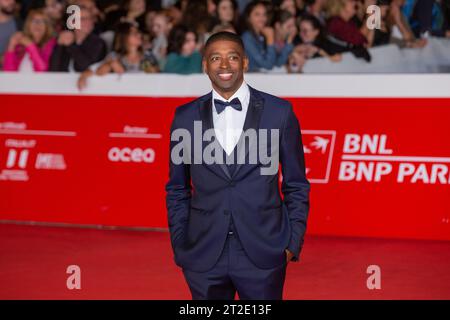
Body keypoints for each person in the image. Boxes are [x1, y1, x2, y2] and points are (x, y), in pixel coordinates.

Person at [165, 31, 310, 300]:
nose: (224, 65)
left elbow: (296, 183)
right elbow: (177, 188)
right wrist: (181, 243)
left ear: (245, 62)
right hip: (203, 254)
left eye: (232, 57)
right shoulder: (184, 117)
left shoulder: (279, 112)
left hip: (263, 252)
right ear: (204, 65)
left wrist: (292, 242)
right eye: (215, 58)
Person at [241, 1, 294, 72]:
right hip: (251, 78)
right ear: (248, 18)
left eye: (264, 14)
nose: (262, 18)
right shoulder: (247, 37)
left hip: (263, 78)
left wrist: (289, 40)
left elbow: (278, 63)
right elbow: (268, 65)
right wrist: (270, 39)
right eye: (257, 14)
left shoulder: (263, 35)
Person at [49, 8, 106, 72]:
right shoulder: (63, 38)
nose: (88, 22)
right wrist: (58, 46)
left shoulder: (98, 42)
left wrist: (71, 45)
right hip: (60, 80)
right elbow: (54, 68)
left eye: (90, 18)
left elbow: (86, 67)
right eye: (82, 19)